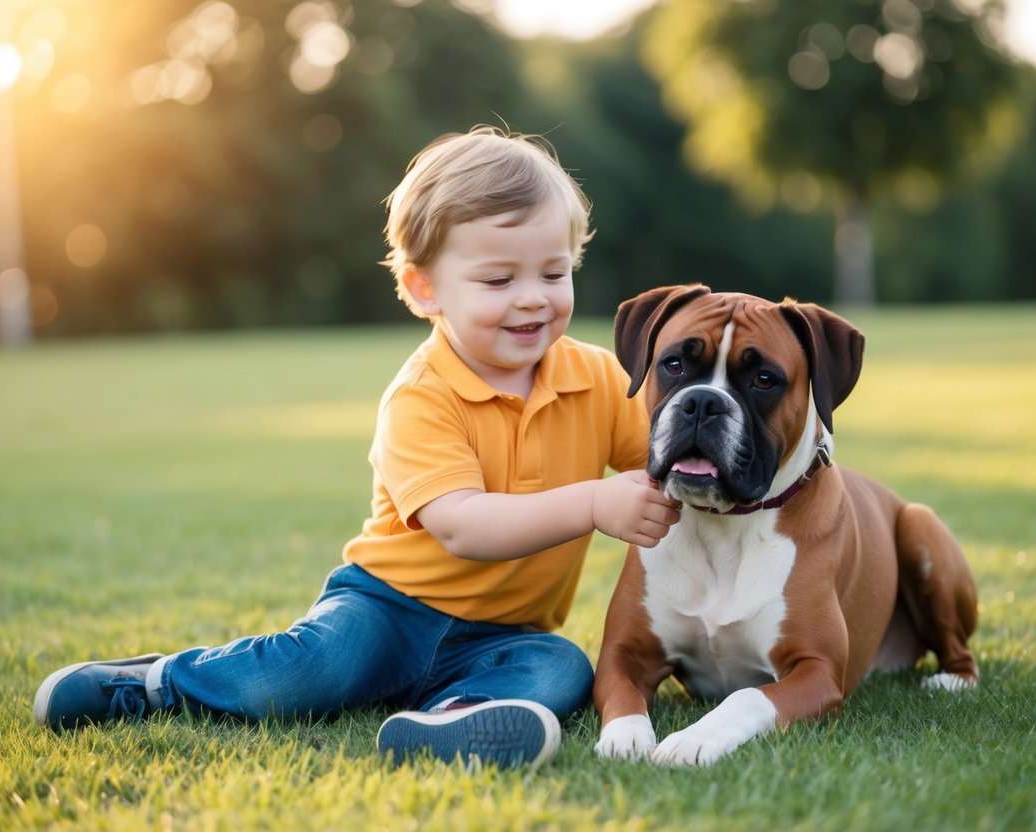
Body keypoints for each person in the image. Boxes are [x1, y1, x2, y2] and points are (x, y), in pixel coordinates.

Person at [33, 125, 681, 768]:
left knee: (561, 666)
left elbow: (666, 468)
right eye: (496, 281)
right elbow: (462, 525)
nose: (532, 298)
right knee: (303, 675)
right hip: (386, 610)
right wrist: (594, 504)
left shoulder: (596, 376)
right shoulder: (421, 397)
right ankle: (152, 684)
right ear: (425, 288)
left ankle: (452, 719)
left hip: (506, 634)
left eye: (553, 272)